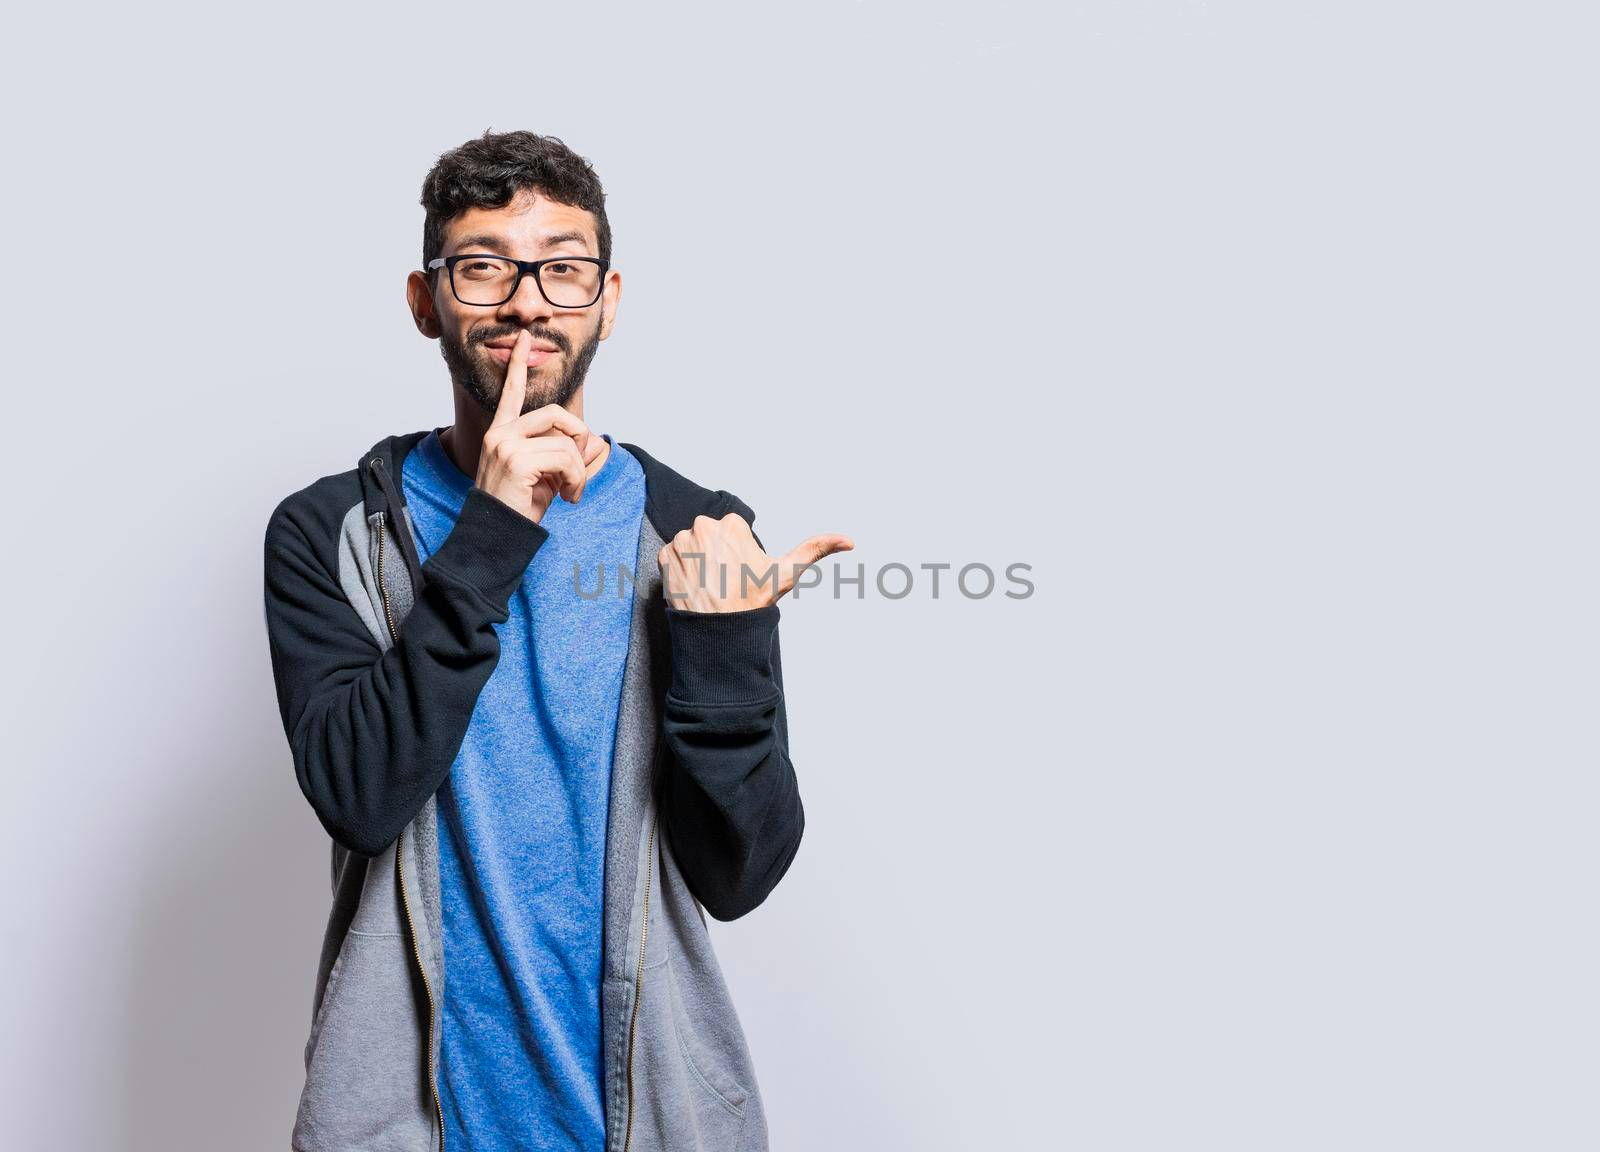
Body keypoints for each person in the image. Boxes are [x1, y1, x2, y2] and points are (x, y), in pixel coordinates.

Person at [261, 129, 852, 1152]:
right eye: (484, 266)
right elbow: (358, 796)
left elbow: (739, 874)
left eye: (562, 269)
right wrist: (491, 533)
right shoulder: (331, 532)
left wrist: (724, 649)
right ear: (425, 300)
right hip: (412, 1124)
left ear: (606, 301)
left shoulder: (696, 531)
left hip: (651, 1119)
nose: (527, 300)